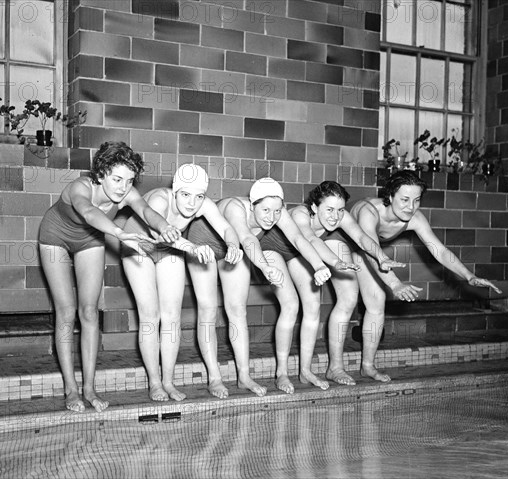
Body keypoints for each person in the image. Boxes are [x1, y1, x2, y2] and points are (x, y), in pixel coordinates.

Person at [38, 141, 181, 413]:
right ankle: (71, 389)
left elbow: (146, 211)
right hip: (55, 237)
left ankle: (89, 388)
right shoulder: (80, 188)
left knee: (90, 312)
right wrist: (118, 232)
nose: (122, 188)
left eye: (128, 181)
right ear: (101, 173)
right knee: (67, 311)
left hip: (90, 240)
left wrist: (166, 227)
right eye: (116, 179)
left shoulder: (126, 193)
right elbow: (90, 212)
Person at [189, 177, 342, 396]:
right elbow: (247, 238)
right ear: (253, 206)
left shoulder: (277, 211)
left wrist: (318, 266)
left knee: (237, 310)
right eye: (266, 211)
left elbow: (299, 239)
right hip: (204, 243)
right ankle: (214, 378)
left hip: (235, 249)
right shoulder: (236, 208)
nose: (272, 217)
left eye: (277, 211)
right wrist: (264, 267)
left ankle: (243, 376)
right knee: (207, 310)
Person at [350, 170, 502, 382]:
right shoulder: (369, 212)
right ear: (390, 196)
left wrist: (468, 275)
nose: (410, 207)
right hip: (343, 243)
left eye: (416, 200)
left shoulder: (415, 218)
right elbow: (370, 249)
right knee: (347, 302)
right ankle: (336, 367)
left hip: (369, 250)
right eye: (404, 200)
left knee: (376, 301)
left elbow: (438, 250)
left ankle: (367, 366)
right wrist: (395, 284)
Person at [121, 164, 243, 402]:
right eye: (186, 195)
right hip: (137, 247)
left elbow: (227, 227)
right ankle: (155, 382)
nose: (192, 203)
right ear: (175, 191)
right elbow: (158, 235)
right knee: (150, 315)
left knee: (172, 316)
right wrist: (193, 247)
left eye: (199, 197)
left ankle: (168, 380)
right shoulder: (159, 199)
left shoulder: (202, 205)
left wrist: (233, 245)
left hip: (168, 250)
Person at [271, 181, 406, 389]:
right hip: (276, 250)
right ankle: (281, 373)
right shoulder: (300, 214)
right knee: (290, 305)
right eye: (330, 209)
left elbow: (361, 237)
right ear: (315, 208)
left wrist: (381, 257)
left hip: (301, 254)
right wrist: (335, 262)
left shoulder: (339, 217)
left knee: (313, 305)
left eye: (340, 210)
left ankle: (305, 371)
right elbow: (310, 240)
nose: (335, 216)